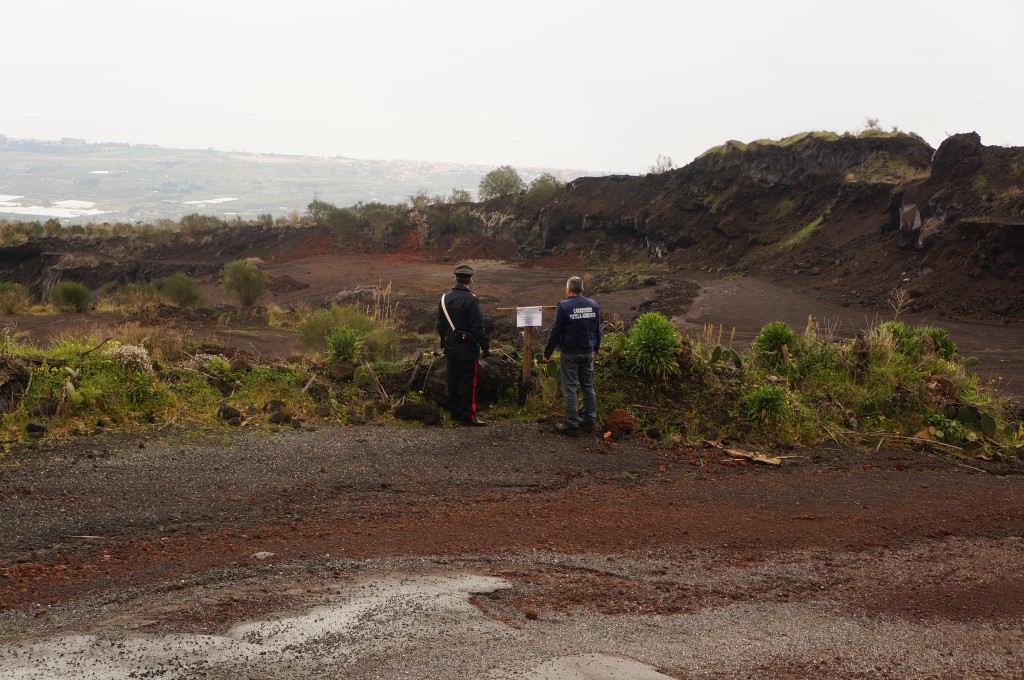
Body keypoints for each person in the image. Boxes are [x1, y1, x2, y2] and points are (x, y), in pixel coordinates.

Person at [543, 276, 601, 436]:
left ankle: (572, 424)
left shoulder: (564, 306)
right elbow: (597, 329)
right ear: (582, 289)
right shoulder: (593, 305)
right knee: (588, 387)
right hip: (588, 352)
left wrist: (547, 353)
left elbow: (556, 331)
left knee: (569, 388)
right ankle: (589, 421)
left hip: (569, 353)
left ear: (568, 289)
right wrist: (597, 347)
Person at [437, 264, 490, 426]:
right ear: (470, 280)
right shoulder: (471, 300)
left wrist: (444, 342)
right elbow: (477, 327)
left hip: (450, 347)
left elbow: (440, 325)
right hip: (467, 348)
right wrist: (485, 346)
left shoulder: (445, 298)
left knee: (452, 380)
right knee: (468, 381)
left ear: (455, 279)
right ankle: (468, 416)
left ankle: (455, 413)